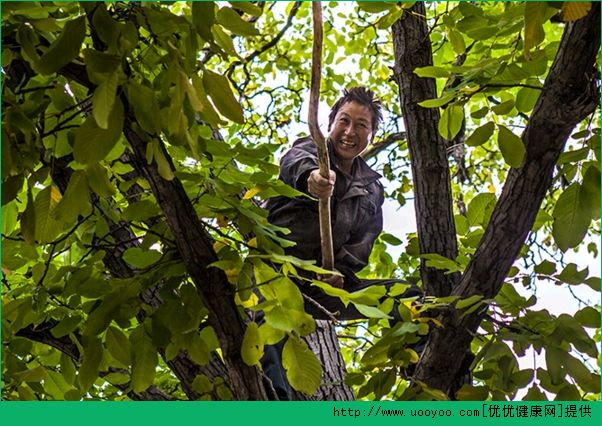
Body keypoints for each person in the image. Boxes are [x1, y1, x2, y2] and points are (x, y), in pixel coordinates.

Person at [260, 87, 424, 400]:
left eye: (361, 125)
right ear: (331, 123)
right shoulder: (310, 150)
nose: (350, 132)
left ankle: (423, 370)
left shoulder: (372, 190)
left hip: (323, 287)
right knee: (269, 342)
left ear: (372, 135)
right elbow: (296, 163)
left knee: (407, 296)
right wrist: (313, 178)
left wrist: (341, 276)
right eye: (344, 121)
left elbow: (361, 245)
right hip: (275, 277)